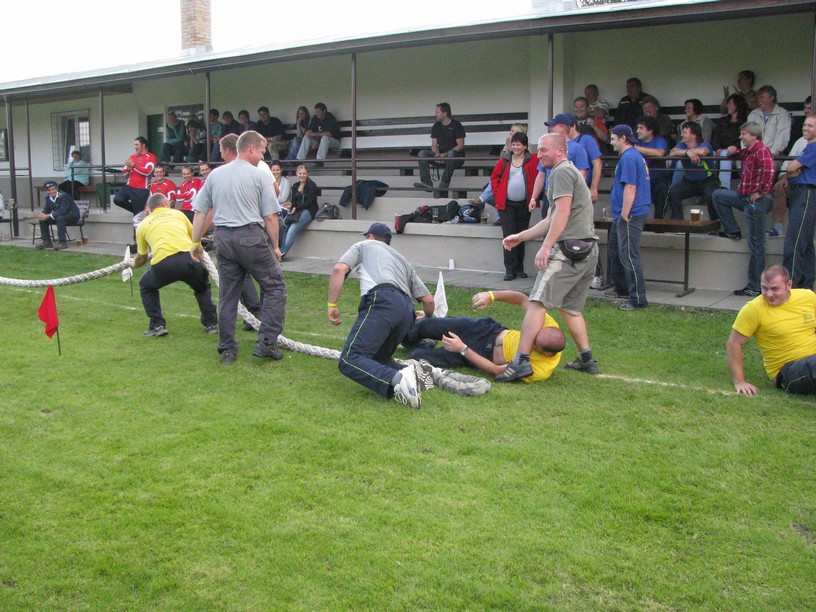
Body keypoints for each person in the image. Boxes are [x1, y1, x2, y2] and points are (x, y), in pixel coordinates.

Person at [498, 133, 599, 381]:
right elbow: (549, 219)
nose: (539, 154)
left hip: (567, 251)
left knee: (535, 303)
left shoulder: (562, 172)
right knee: (571, 309)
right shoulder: (567, 171)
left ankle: (520, 361)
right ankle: (587, 359)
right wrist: (520, 236)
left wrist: (546, 247)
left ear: (560, 151)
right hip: (587, 249)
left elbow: (562, 213)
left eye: (543, 150)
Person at [190, 130, 287, 365]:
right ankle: (266, 343)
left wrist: (195, 242)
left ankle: (227, 350)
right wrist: (275, 246)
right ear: (251, 148)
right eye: (262, 151)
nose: (263, 156)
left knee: (228, 295)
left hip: (222, 239)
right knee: (275, 288)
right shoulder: (260, 176)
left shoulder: (215, 175)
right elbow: (271, 217)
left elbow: (201, 211)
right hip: (250, 237)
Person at [328, 222, 434, 409]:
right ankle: (414, 373)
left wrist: (332, 304)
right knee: (378, 358)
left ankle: (401, 381)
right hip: (406, 312)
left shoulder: (364, 245)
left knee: (350, 359)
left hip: (383, 300)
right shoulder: (403, 261)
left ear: (370, 236)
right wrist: (426, 316)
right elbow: (427, 300)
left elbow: (339, 269)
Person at [404, 289, 564, 382]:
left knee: (418, 355)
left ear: (547, 353)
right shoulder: (546, 324)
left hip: (479, 354)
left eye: (533, 344)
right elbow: (522, 299)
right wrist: (491, 295)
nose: (528, 340)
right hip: (485, 330)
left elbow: (496, 370)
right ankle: (405, 336)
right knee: (423, 325)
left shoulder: (541, 370)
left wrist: (462, 349)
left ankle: (427, 343)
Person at [131, 192, 218, 338]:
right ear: (165, 204)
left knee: (146, 285)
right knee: (202, 287)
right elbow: (194, 237)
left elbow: (141, 257)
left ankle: (157, 325)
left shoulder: (143, 224)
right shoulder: (178, 214)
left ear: (149, 209)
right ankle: (211, 324)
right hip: (188, 259)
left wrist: (132, 265)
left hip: (164, 264)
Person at [727, 265, 816, 395]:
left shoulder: (807, 296)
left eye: (775, 289)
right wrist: (739, 381)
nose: (769, 294)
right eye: (764, 288)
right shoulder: (753, 309)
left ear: (789, 285)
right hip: (787, 372)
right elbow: (734, 343)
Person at [711, 121, 776, 297]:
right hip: (744, 197)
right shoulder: (748, 151)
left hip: (756, 201)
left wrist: (761, 192)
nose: (740, 137)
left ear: (754, 136)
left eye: (743, 134)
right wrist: (734, 151)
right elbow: (741, 153)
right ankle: (732, 230)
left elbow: (770, 172)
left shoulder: (762, 150)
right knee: (718, 195)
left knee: (756, 244)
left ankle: (755, 286)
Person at [604, 125, 651, 310]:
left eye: (613, 138)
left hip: (630, 214)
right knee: (616, 251)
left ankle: (638, 300)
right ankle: (622, 289)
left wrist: (624, 213)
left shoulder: (630, 157)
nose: (611, 142)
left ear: (623, 139)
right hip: (623, 214)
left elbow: (631, 187)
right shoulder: (630, 156)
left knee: (630, 256)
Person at [490, 132, 539, 281]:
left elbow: (540, 175)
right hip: (506, 206)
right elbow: (494, 178)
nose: (516, 147)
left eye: (519, 144)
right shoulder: (504, 161)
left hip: (524, 205)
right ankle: (509, 270)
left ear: (525, 146)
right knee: (509, 237)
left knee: (521, 236)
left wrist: (534, 198)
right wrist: (498, 194)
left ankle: (520, 269)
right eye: (514, 144)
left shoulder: (533, 160)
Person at [782, 113, 816, 289]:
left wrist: (795, 170)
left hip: (806, 194)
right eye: (805, 125)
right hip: (799, 193)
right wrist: (794, 172)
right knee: (807, 244)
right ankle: (807, 287)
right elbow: (793, 171)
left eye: (811, 126)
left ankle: (790, 289)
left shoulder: (814, 146)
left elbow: (791, 168)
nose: (806, 128)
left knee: (793, 243)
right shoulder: (806, 146)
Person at [668, 122, 720, 220]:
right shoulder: (682, 145)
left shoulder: (705, 144)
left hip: (708, 180)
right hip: (689, 181)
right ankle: (677, 222)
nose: (682, 135)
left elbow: (702, 151)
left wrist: (688, 152)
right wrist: (688, 152)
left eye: (684, 132)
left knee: (711, 196)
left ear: (693, 134)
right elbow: (671, 153)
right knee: (674, 192)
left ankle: (715, 224)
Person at [413, 102, 466, 198]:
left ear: (445, 113)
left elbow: (461, 146)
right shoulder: (436, 126)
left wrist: (445, 155)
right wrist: (437, 154)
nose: (435, 114)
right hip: (441, 157)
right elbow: (434, 145)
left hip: (455, 158)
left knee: (451, 153)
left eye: (437, 112)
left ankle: (444, 182)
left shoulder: (457, 125)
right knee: (422, 153)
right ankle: (427, 183)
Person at [113, 136, 157, 225]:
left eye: (137, 145)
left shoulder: (151, 157)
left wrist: (133, 165)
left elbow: (147, 172)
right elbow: (124, 172)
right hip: (129, 186)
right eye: (134, 145)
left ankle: (137, 237)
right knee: (117, 199)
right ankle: (137, 210)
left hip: (141, 189)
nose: (135, 147)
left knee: (138, 218)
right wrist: (128, 168)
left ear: (143, 145)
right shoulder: (132, 156)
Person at [634, 115, 671, 219]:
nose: (637, 131)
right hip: (640, 178)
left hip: (657, 178)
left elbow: (660, 153)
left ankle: (659, 222)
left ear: (650, 130)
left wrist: (637, 148)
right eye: (637, 128)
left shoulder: (660, 140)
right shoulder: (636, 141)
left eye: (641, 128)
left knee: (662, 187)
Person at [712, 93, 749, 189]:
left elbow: (745, 141)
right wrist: (717, 149)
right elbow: (715, 137)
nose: (728, 106)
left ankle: (724, 188)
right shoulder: (722, 121)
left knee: (725, 154)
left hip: (737, 156)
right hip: (719, 153)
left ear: (737, 105)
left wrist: (735, 149)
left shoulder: (745, 122)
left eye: (730, 103)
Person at [281, 164, 318, 258]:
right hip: (297, 211)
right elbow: (294, 201)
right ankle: (278, 251)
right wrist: (291, 206)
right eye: (300, 173)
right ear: (297, 174)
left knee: (292, 230)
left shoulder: (312, 185)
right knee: (284, 225)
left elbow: (310, 202)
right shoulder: (295, 185)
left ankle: (282, 254)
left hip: (308, 211)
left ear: (307, 174)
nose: (302, 175)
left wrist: (296, 208)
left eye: (304, 173)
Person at [747, 85, 791, 156]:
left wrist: (770, 154)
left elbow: (782, 138)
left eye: (762, 97)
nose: (759, 100)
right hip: (754, 154)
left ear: (771, 98)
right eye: (758, 98)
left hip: (775, 155)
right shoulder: (753, 114)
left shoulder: (782, 114)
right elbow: (747, 135)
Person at [35, 181, 79, 251]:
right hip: (59, 216)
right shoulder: (48, 197)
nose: (52, 192)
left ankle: (62, 242)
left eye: (53, 189)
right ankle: (46, 241)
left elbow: (62, 211)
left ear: (56, 189)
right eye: (49, 190)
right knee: (43, 219)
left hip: (72, 216)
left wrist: (48, 216)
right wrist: (43, 214)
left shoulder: (64, 196)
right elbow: (47, 209)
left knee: (60, 218)